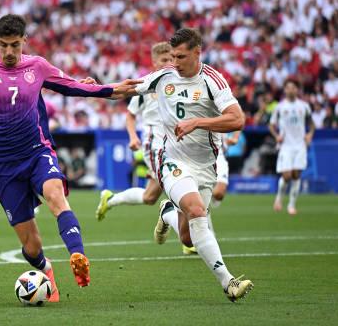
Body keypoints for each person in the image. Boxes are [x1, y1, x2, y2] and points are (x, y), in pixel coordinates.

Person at [0, 14, 138, 302]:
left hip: (37, 152)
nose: (8, 52)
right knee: (31, 246)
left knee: (56, 195)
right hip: (4, 165)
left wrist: (111, 90)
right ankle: (46, 270)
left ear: (24, 41)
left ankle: (77, 254)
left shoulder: (37, 66)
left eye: (14, 45)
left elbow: (72, 86)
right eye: (3, 45)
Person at [134, 28, 253, 302]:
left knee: (188, 238)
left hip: (205, 167)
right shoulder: (165, 76)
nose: (174, 62)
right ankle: (229, 282)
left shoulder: (212, 79)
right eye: (172, 56)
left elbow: (237, 119)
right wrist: (89, 88)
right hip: (173, 160)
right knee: (198, 211)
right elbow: (128, 87)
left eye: (181, 56)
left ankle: (167, 214)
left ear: (197, 53)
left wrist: (198, 122)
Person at [95, 42, 173, 220]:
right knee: (176, 185)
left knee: (150, 197)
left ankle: (111, 199)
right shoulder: (146, 83)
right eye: (164, 59)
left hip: (174, 143)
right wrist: (132, 137)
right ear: (154, 62)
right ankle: (187, 238)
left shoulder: (177, 83)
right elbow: (130, 115)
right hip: (155, 142)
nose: (168, 62)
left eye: (171, 58)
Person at [269, 80, 314, 215]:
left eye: (293, 87)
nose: (291, 90)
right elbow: (271, 125)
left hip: (300, 145)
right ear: (285, 90)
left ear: (297, 90)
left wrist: (309, 135)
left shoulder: (304, 106)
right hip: (286, 146)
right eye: (288, 87)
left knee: (296, 175)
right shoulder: (280, 107)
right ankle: (279, 198)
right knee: (287, 175)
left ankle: (291, 205)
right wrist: (276, 136)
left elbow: (311, 124)